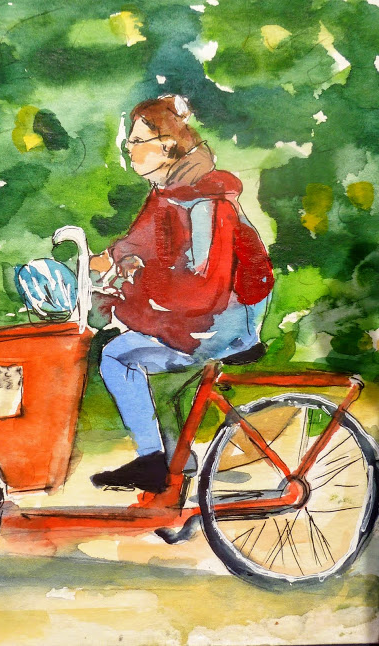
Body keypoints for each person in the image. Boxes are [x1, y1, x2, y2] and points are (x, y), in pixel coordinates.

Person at [88, 95, 274, 494]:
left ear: (168, 146)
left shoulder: (206, 203)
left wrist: (131, 297)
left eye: (138, 141)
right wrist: (108, 260)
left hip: (224, 320)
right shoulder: (168, 191)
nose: (129, 149)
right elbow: (140, 240)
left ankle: (155, 462)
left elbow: (204, 289)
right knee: (148, 369)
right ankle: (175, 464)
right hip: (206, 313)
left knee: (117, 356)